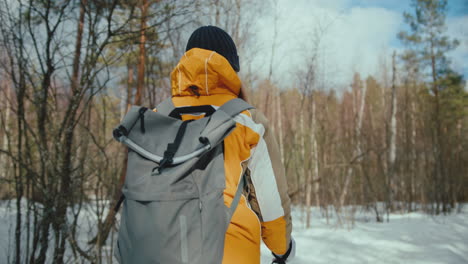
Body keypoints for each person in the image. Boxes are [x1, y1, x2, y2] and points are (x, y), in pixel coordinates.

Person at [167, 25, 295, 264]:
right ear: (231, 67)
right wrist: (283, 249)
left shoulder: (157, 117)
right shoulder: (248, 120)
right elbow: (270, 203)